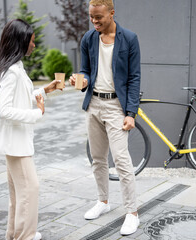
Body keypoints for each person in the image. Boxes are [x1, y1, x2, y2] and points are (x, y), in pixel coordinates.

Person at [69, 0, 141, 236]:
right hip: (94, 104)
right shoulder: (89, 38)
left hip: (116, 107)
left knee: (121, 160)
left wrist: (131, 113)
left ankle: (132, 213)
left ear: (112, 13)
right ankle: (103, 201)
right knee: (98, 159)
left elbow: (134, 78)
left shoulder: (129, 39)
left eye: (98, 17)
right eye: (91, 16)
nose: (94, 21)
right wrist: (81, 79)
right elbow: (86, 70)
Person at [0, 19, 61, 240]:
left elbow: (20, 98)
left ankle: (14, 234)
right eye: (32, 41)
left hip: (15, 144)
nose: (34, 45)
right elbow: (5, 110)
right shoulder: (11, 72)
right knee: (30, 189)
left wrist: (44, 91)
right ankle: (25, 236)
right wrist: (37, 113)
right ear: (21, 41)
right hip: (16, 145)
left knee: (19, 194)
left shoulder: (14, 67)